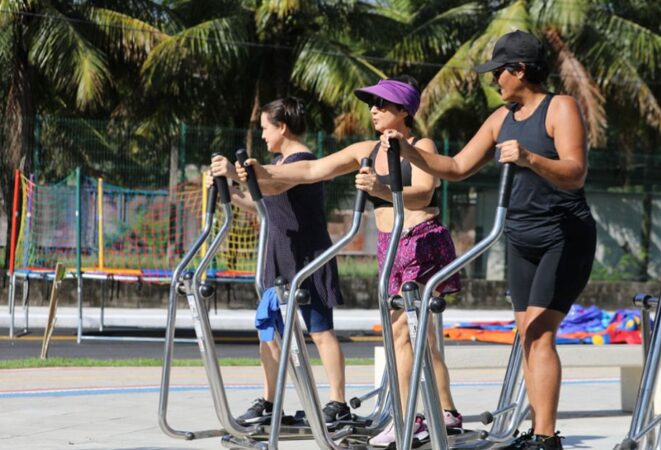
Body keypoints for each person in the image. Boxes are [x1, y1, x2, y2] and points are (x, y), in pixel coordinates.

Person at [379, 31, 597, 450]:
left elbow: (575, 172)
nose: (494, 81)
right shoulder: (501, 118)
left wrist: (531, 158)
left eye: (499, 72)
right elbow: (457, 166)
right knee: (526, 335)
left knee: (539, 335)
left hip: (563, 234)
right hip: (521, 236)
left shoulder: (560, 107)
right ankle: (537, 432)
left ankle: (546, 436)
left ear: (519, 70)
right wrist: (407, 153)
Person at [236, 76, 463, 448]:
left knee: (404, 334)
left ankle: (408, 420)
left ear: (404, 111)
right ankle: (449, 413)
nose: (373, 110)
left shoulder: (421, 145)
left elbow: (422, 193)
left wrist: (379, 189)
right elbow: (310, 170)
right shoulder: (367, 149)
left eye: (382, 105)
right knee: (421, 338)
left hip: (422, 241)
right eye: (371, 104)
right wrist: (263, 173)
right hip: (390, 246)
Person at [208, 97, 351, 427]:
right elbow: (263, 202)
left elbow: (277, 183)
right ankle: (270, 401)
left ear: (282, 127)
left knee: (319, 331)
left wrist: (239, 173)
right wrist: (226, 188)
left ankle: (338, 402)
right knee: (269, 332)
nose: (262, 136)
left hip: (307, 258)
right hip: (279, 258)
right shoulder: (275, 162)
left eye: (265, 129)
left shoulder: (301, 161)